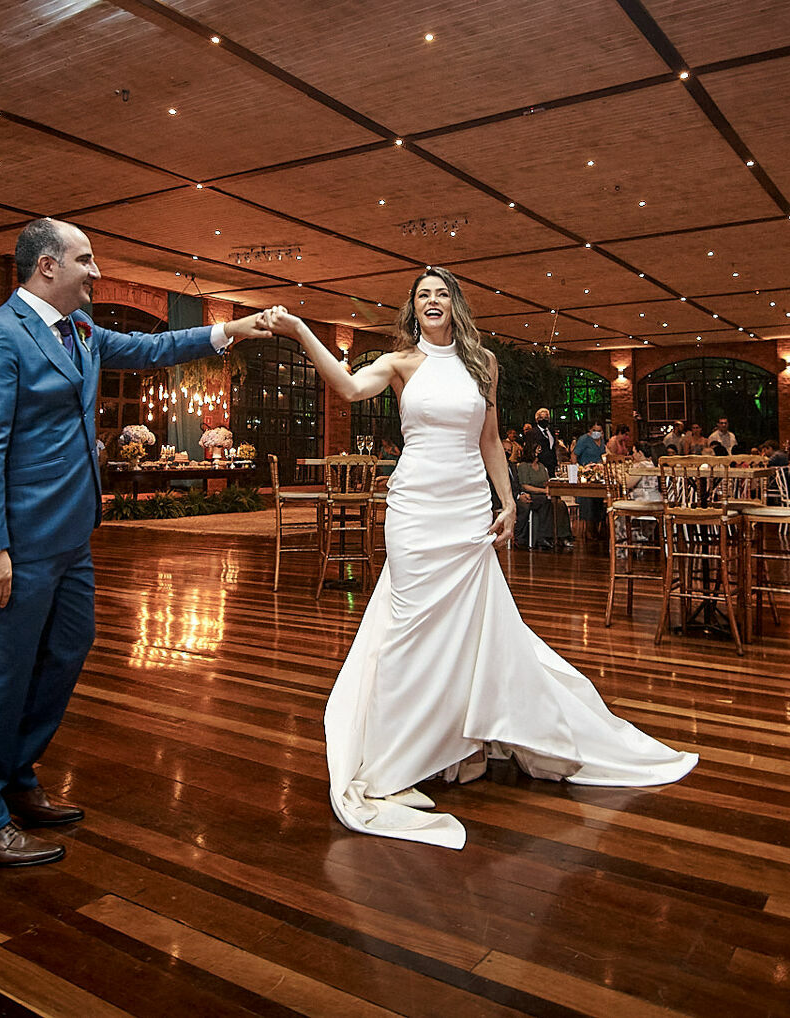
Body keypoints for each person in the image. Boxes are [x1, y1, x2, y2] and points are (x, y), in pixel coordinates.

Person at [265, 266, 695, 849]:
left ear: (456, 304)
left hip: (468, 510)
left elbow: (490, 440)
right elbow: (346, 386)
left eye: (441, 293)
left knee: (468, 629)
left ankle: (461, 743)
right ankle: (397, 758)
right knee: (408, 630)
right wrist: (299, 330)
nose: (432, 301)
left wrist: (509, 501)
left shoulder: (483, 363)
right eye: (423, 295)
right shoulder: (399, 363)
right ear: (413, 308)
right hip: (415, 511)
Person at [0, 217, 279, 866]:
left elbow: (154, 349)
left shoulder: (81, 331)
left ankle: (15, 776)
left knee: (67, 651)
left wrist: (229, 331)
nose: (96, 272)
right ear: (47, 266)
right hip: (19, 543)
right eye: (85, 260)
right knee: (2, 676)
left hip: (74, 538)